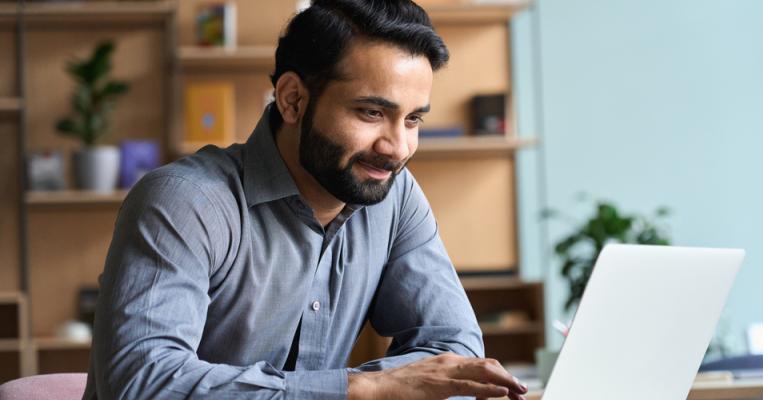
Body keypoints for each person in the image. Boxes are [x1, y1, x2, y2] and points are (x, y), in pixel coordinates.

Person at [82, 1, 528, 399]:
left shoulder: (396, 197)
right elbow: (142, 383)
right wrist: (359, 389)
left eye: (412, 119)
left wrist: (375, 389)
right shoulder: (186, 201)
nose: (396, 147)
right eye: (372, 113)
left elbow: (455, 348)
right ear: (293, 99)